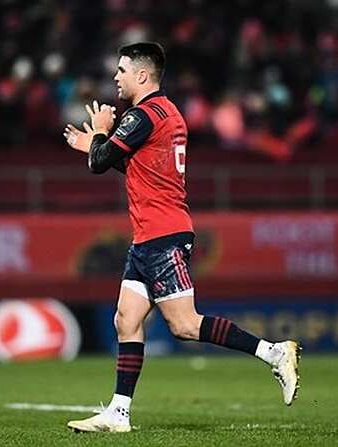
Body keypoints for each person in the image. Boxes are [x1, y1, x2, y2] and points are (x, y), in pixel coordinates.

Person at [62, 42, 300, 433]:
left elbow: (98, 164)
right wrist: (98, 147)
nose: (116, 77)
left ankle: (274, 353)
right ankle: (119, 413)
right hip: (149, 235)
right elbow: (138, 170)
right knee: (126, 318)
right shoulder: (166, 112)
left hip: (162, 234)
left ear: (142, 75)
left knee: (185, 326)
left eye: (121, 70)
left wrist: (100, 136)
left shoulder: (141, 116)